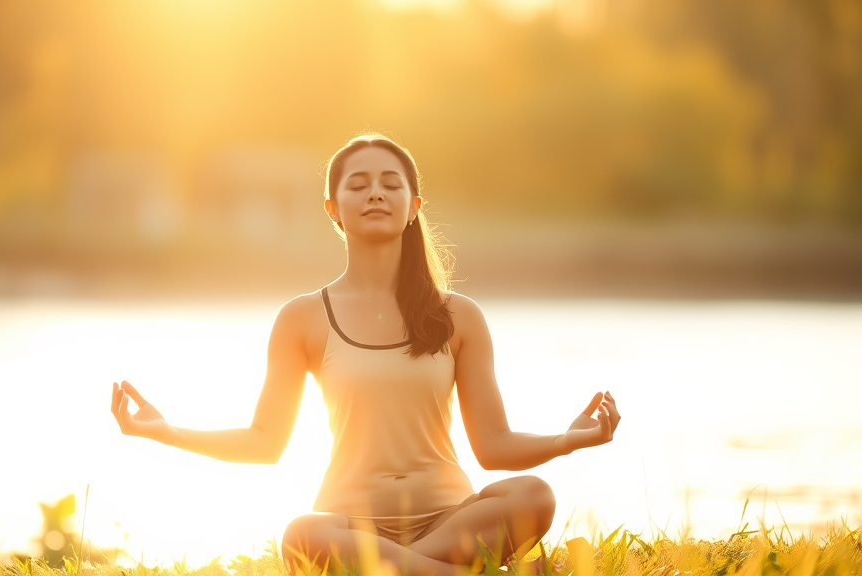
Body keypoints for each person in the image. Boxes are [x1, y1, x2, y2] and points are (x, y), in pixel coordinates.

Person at [110, 134, 621, 576]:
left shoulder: (459, 316)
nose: (375, 191)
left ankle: (400, 570)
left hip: (449, 518)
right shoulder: (302, 318)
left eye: (390, 183)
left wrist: (568, 440)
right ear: (333, 208)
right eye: (358, 184)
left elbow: (493, 445)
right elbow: (265, 442)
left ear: (414, 205)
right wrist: (169, 432)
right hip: (349, 525)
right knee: (301, 535)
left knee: (534, 496)